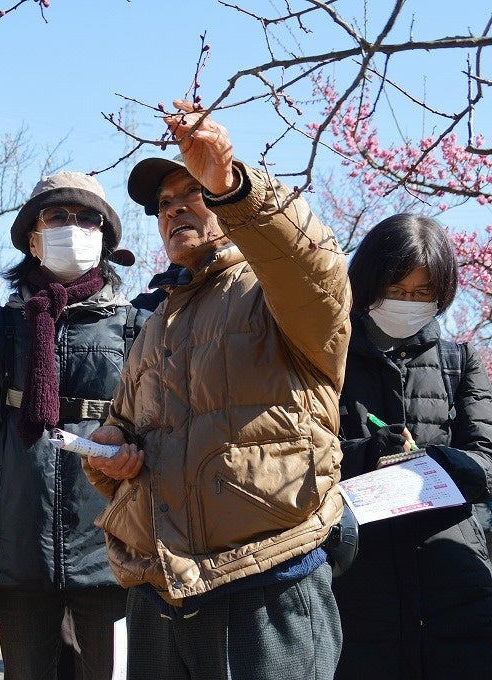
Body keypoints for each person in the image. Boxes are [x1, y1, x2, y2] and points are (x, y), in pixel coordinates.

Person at [85, 99, 350, 679]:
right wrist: (111, 454)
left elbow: (315, 268)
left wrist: (230, 183)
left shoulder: (270, 291)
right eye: (164, 205)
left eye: (192, 197)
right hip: (159, 595)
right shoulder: (156, 323)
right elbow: (126, 432)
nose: (176, 210)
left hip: (265, 585)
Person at [0, 170, 146, 680]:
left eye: (86, 219)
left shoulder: (138, 328)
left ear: (106, 238)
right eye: (57, 217)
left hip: (113, 564)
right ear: (32, 237)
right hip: (18, 563)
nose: (71, 227)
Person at [333, 214, 492, 679]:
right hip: (360, 575)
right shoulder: (329, 361)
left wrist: (436, 464)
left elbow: (486, 460)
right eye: (397, 290)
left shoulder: (460, 362)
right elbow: (303, 455)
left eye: (423, 293)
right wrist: (366, 454)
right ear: (366, 284)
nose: (408, 302)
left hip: (452, 575)